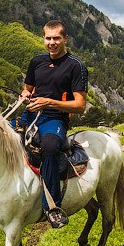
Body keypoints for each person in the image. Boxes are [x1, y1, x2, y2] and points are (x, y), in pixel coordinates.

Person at [15, 20, 88, 228]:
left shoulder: (75, 66)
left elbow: (80, 105)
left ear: (65, 39)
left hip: (55, 118)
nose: (52, 42)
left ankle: (52, 206)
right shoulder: (37, 61)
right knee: (2, 136)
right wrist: (26, 94)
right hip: (31, 113)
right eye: (48, 38)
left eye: (56, 38)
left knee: (49, 147)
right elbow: (28, 88)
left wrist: (49, 102)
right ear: (43, 38)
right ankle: (6, 200)